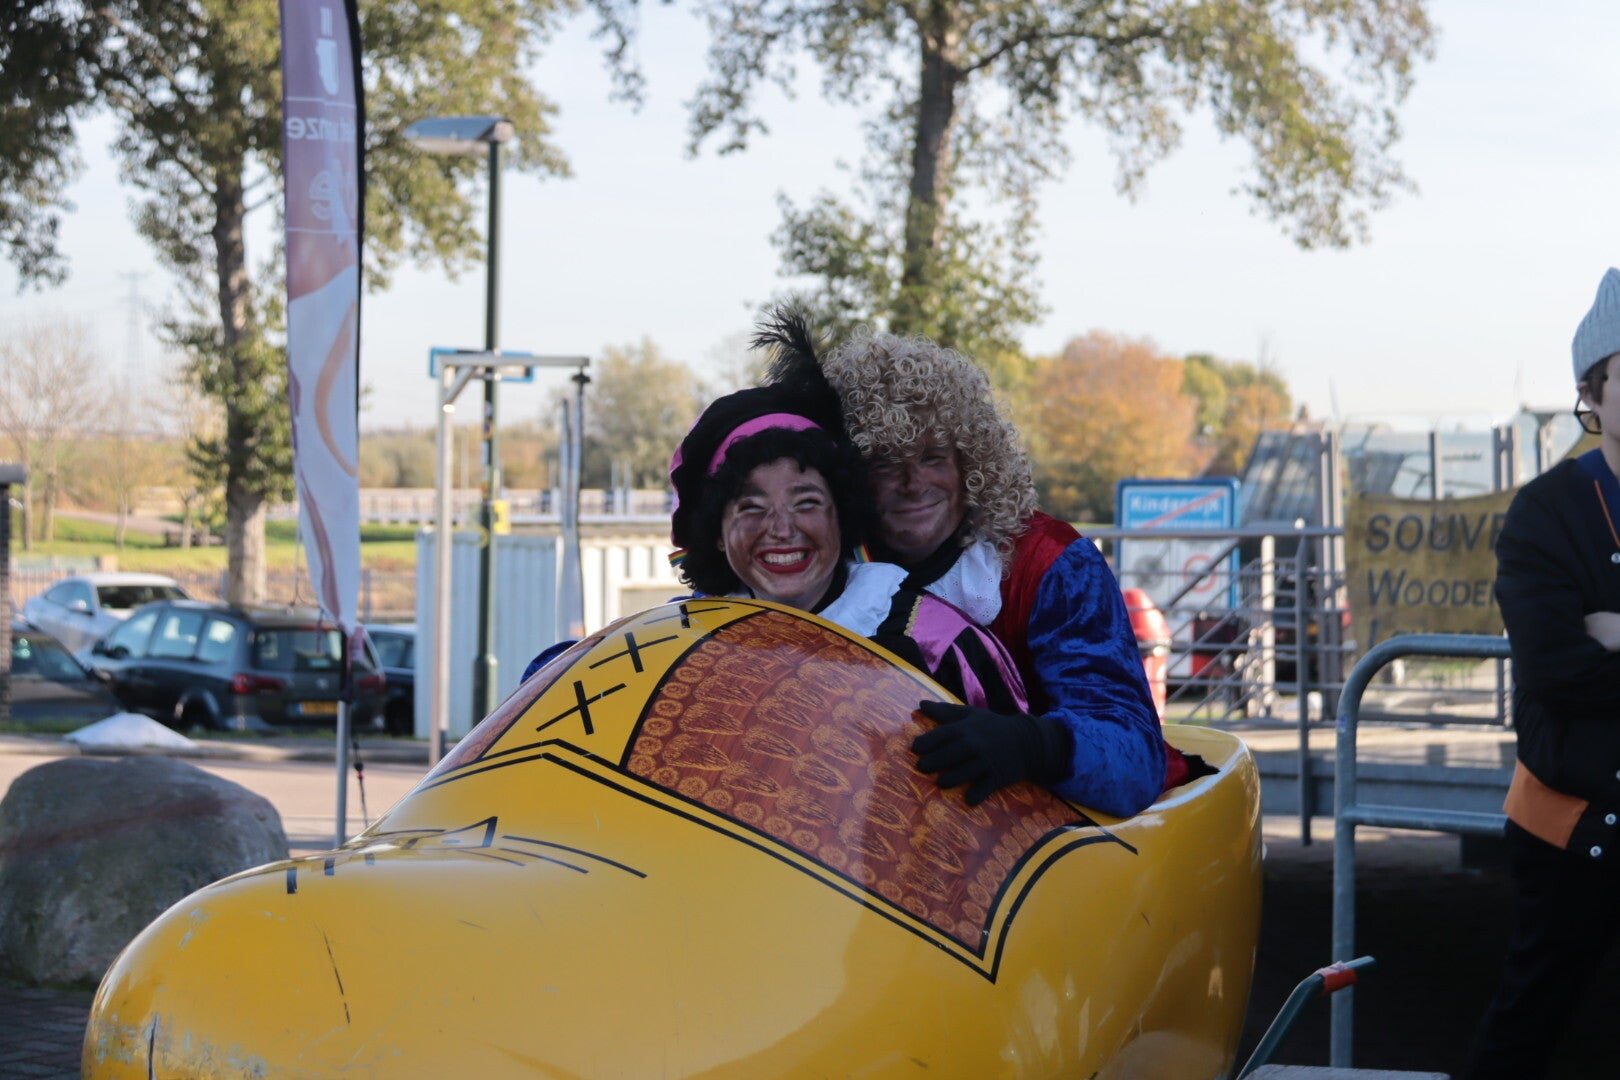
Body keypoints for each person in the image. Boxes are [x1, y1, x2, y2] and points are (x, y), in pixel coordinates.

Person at [793, 328, 1193, 819]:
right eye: (885, 463)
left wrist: (1033, 743)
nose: (913, 483)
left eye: (932, 457)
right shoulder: (819, 568)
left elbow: (1135, 757)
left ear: (970, 461)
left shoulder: (1051, 563)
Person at [663, 315, 1034, 747]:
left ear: (842, 515)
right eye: (751, 507)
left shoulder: (939, 643)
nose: (781, 529)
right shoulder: (680, 644)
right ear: (716, 532)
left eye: (806, 502)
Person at [1461, 268, 1620, 1080]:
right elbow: (1559, 672)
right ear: (1594, 389)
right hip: (1568, 823)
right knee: (1527, 1027)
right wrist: (1589, 651)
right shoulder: (1546, 511)